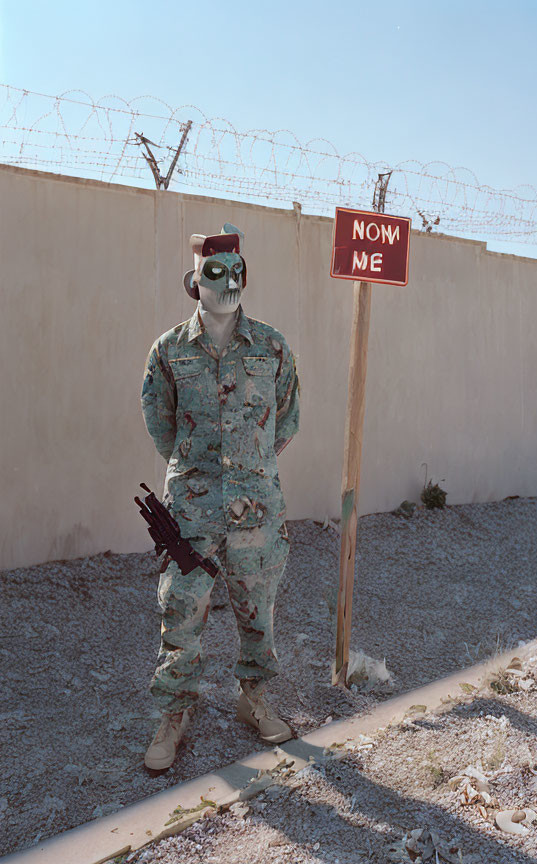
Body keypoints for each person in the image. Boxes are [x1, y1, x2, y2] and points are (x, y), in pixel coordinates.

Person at [140, 223, 300, 770]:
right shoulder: (168, 352)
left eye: (237, 272)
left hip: (257, 509)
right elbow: (161, 427)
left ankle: (253, 699)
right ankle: (174, 714)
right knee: (181, 612)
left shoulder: (273, 348)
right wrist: (198, 474)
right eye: (216, 272)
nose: (229, 282)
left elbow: (286, 421)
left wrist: (249, 469)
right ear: (196, 281)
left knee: (259, 611)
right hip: (191, 512)